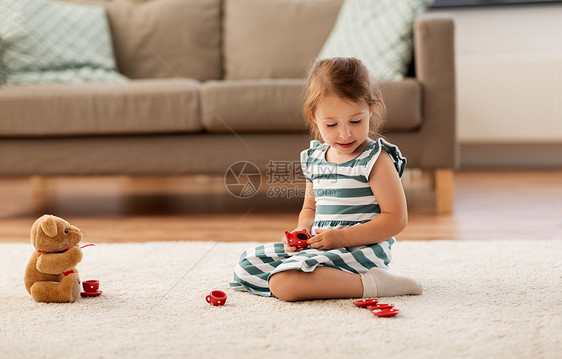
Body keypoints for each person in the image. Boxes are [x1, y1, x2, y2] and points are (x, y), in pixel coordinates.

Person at [230, 57, 422, 301]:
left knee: (284, 283)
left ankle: (373, 283)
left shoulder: (375, 159)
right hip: (322, 247)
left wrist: (341, 238)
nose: (345, 133)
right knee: (247, 264)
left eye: (356, 121)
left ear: (371, 109)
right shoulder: (315, 158)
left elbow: (396, 219)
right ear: (313, 117)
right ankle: (318, 276)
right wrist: (301, 232)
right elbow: (309, 208)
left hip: (359, 251)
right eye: (331, 124)